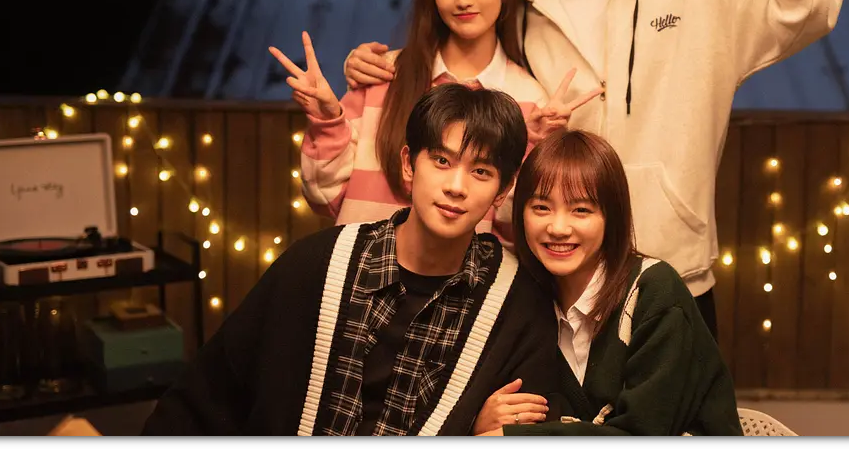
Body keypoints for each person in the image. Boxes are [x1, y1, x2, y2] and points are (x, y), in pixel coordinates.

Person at [342, 0, 845, 340]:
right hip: (550, 280)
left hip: (671, 270)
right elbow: (459, 71)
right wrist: (379, 64)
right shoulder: (515, 2)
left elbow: (810, 8)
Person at [141, 84, 565, 435]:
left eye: (480, 172)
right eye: (441, 161)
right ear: (408, 165)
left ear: (503, 190)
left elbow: (530, 427)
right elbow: (207, 394)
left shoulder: (516, 304)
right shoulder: (318, 264)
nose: (456, 186)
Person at [269, 0, 599, 243]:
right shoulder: (383, 73)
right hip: (363, 267)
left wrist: (531, 145)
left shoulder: (528, 98)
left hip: (463, 276)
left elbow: (513, 227)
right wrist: (327, 121)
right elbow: (323, 197)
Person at [476, 129, 741, 436]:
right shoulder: (524, 300)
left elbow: (643, 434)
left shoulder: (654, 291)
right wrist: (481, 422)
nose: (558, 228)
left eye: (581, 210)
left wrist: (513, 436)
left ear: (611, 217)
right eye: (541, 208)